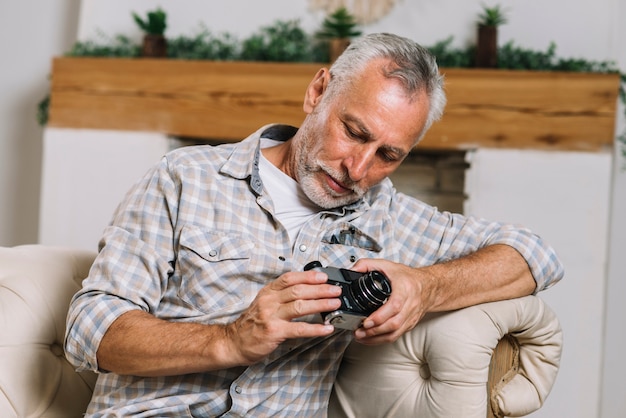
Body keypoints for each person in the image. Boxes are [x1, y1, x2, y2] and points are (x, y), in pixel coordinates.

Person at [64, 32, 564, 417]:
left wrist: (426, 288)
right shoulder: (187, 178)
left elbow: (535, 255)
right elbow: (91, 330)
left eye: (388, 154)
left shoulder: (392, 217)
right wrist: (227, 339)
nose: (359, 168)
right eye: (354, 132)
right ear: (318, 91)